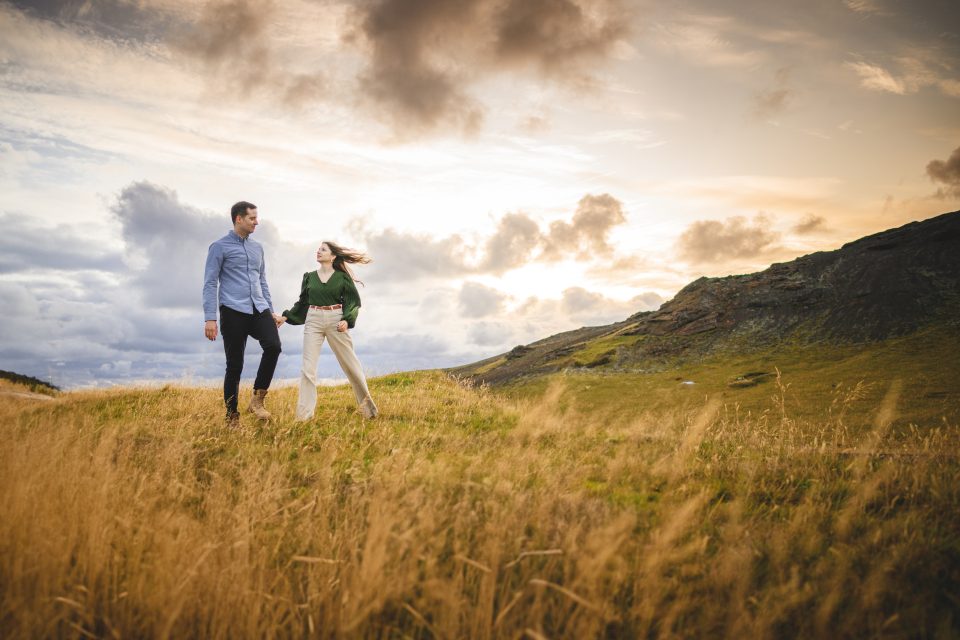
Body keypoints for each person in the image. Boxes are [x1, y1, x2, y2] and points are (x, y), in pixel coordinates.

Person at [277, 241, 378, 421]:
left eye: (323, 250)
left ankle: (369, 412)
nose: (318, 251)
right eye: (318, 249)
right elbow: (303, 303)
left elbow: (353, 302)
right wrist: (286, 317)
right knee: (308, 369)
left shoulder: (342, 278)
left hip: (336, 319)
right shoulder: (309, 277)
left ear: (332, 256)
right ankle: (304, 417)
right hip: (313, 320)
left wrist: (347, 320)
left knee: (351, 366)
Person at [202, 201, 282, 427]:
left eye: (257, 218)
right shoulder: (219, 247)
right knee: (234, 365)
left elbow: (262, 280)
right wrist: (210, 317)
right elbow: (210, 283)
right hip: (233, 310)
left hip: (259, 308)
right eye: (252, 218)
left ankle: (258, 400)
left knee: (273, 346)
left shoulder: (258, 248)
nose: (257, 222)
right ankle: (232, 416)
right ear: (239, 219)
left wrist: (271, 310)